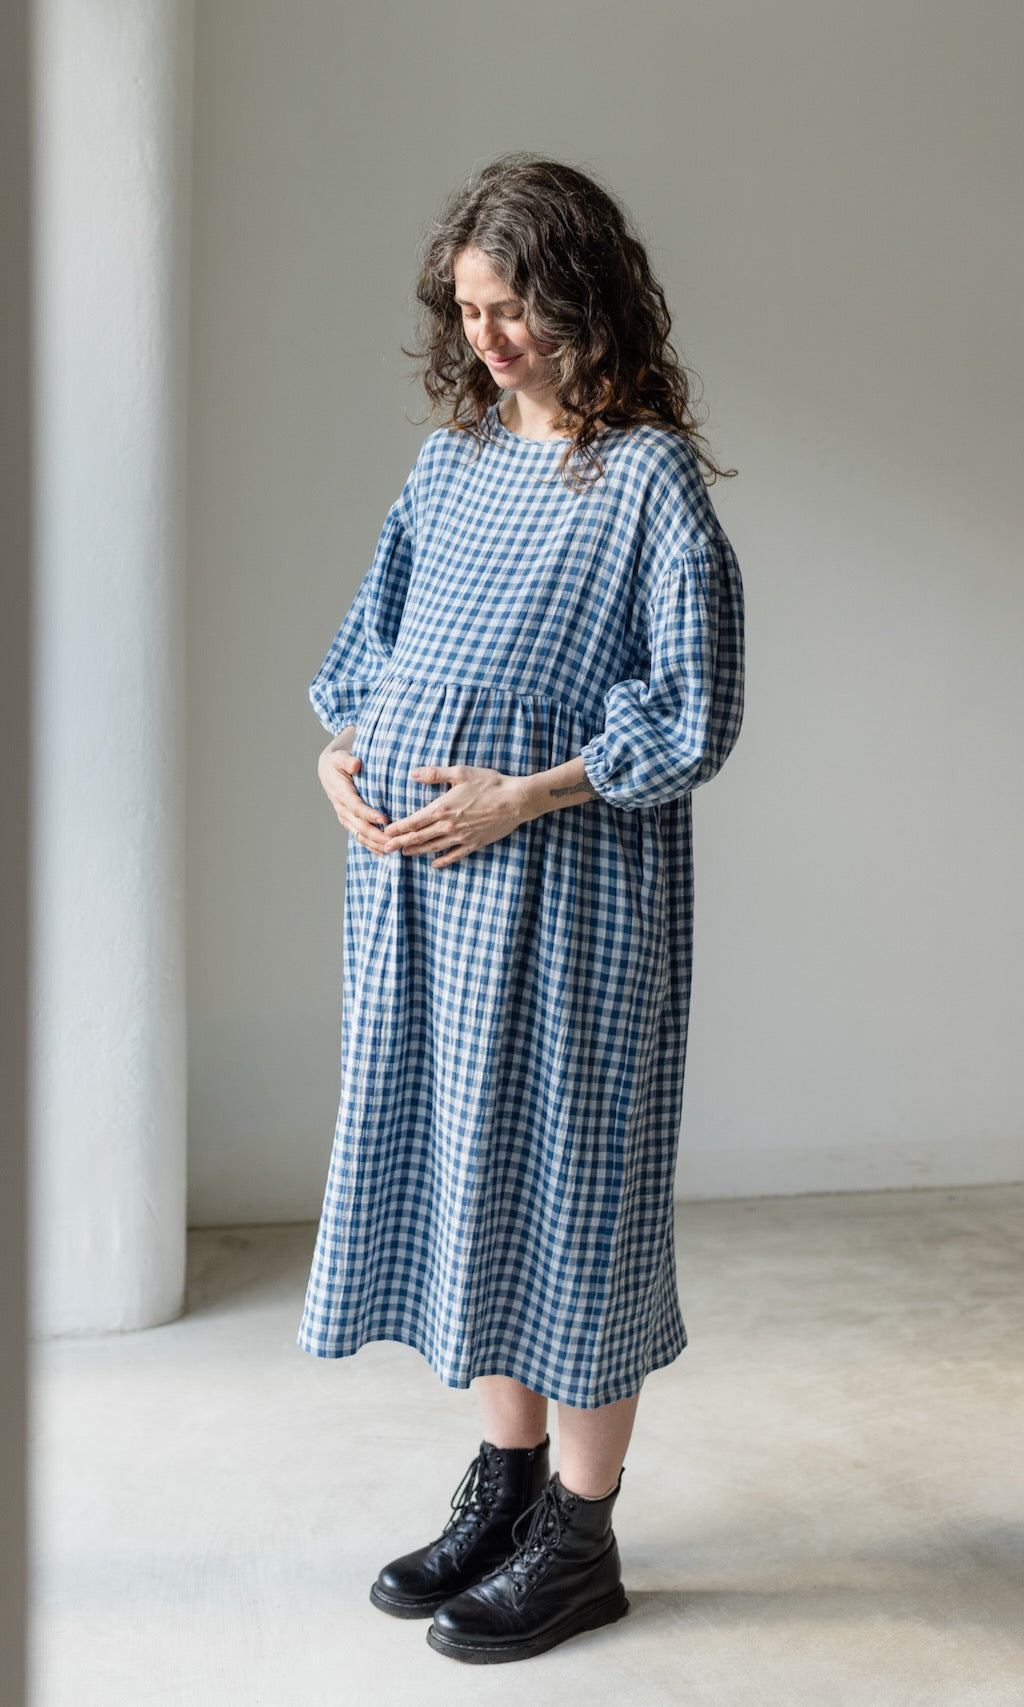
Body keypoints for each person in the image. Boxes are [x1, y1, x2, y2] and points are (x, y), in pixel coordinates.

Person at [297, 152, 745, 1665]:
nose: (485, 338)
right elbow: (369, 647)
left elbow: (694, 710)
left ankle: (580, 1536)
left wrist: (523, 794)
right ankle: (504, 1488)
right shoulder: (452, 463)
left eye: (512, 307)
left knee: (578, 1197)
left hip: (572, 902)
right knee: (474, 1182)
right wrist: (340, 754)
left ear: (585, 297)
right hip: (422, 903)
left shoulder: (647, 480)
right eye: (468, 309)